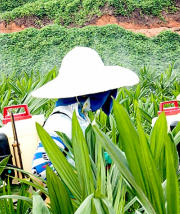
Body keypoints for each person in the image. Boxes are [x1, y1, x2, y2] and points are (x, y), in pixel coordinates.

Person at [30, 47, 138, 178]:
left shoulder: (80, 116)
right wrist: (81, 176)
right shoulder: (60, 121)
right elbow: (40, 169)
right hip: (73, 197)